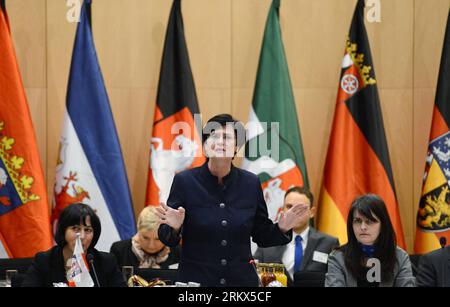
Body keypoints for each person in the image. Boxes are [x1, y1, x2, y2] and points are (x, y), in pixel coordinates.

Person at [156, 114, 308, 287]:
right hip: (197, 282)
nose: (220, 141)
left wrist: (281, 228)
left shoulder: (250, 183)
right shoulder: (185, 181)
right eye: (213, 136)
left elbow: (261, 235)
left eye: (227, 137)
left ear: (236, 147)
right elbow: (167, 238)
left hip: (240, 284)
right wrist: (175, 228)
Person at [22, 203, 125, 287]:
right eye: (76, 229)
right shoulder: (44, 260)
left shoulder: (106, 262)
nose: (82, 236)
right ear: (63, 231)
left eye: (88, 230)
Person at [254, 186, 339, 286]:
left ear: (312, 212)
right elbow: (253, 276)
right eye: (289, 207)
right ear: (283, 209)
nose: (294, 213)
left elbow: (335, 280)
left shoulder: (329, 243)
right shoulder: (267, 241)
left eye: (300, 208)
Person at [325, 194, 415, 287]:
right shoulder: (338, 257)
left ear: (383, 225)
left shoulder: (400, 257)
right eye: (358, 221)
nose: (363, 227)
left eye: (369, 221)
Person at [110, 206, 180, 269]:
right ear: (138, 229)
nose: (151, 245)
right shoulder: (120, 250)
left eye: (158, 239)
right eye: (146, 238)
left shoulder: (177, 252)